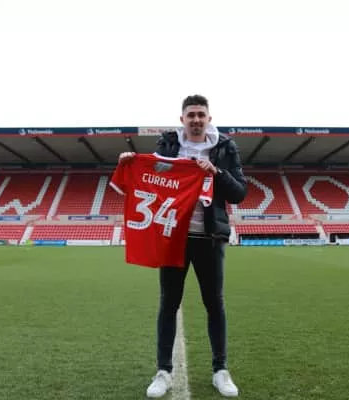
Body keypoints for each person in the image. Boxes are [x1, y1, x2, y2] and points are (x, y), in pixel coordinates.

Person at [118, 94, 247, 398]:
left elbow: (239, 193)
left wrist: (216, 172)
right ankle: (163, 371)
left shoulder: (225, 148)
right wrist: (131, 163)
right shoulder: (168, 145)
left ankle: (220, 370)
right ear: (182, 119)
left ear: (209, 118)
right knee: (169, 303)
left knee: (214, 304)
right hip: (173, 236)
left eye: (201, 115)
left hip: (209, 238)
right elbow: (153, 173)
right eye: (191, 115)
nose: (196, 120)